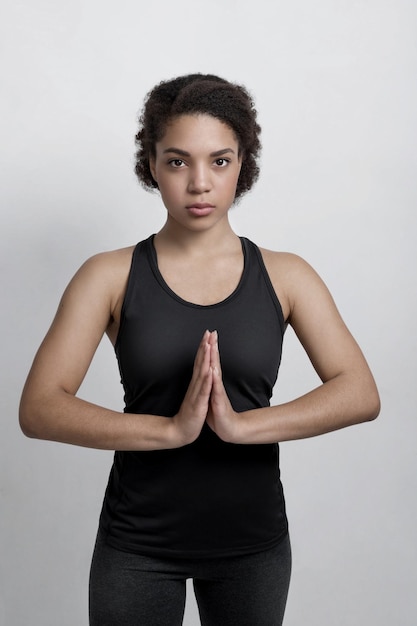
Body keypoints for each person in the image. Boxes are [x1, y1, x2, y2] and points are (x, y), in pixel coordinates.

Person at [19, 73, 380, 626]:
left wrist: (242, 426)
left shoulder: (288, 276)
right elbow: (40, 407)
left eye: (220, 161)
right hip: (137, 546)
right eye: (178, 161)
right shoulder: (108, 275)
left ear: (243, 166)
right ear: (152, 165)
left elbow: (360, 392)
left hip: (253, 546)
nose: (199, 184)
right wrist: (169, 431)